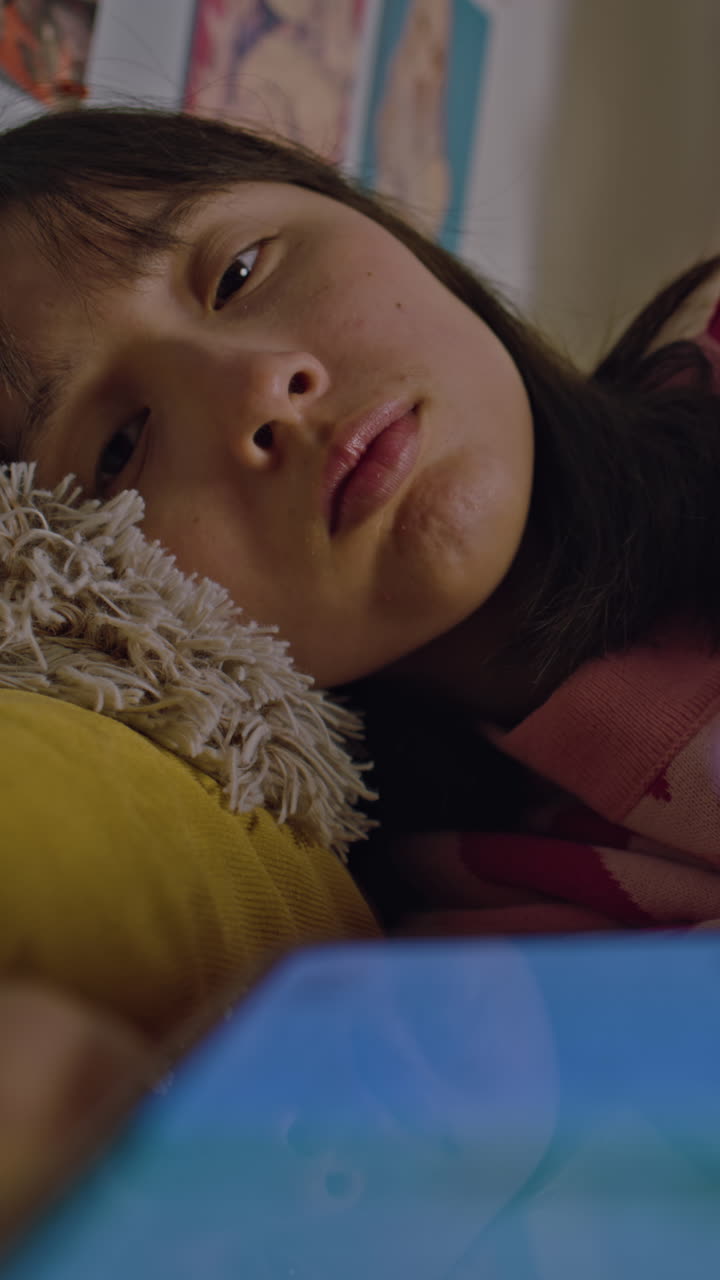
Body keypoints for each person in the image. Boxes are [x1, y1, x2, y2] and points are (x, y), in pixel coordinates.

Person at [2, 104, 720, 1239]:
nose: (258, 387)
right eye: (119, 445)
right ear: (82, 588)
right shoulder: (441, 996)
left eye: (237, 270)